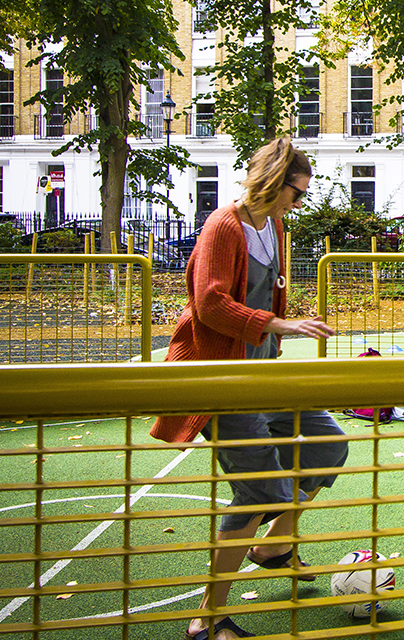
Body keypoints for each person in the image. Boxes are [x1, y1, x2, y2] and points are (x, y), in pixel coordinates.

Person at [149, 138, 348, 640]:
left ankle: (273, 545)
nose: (298, 203)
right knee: (259, 489)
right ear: (272, 183)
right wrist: (277, 325)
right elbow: (210, 304)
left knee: (327, 444)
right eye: (296, 193)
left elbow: (264, 291)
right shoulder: (223, 226)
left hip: (261, 373)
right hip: (219, 378)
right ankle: (206, 619)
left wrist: (279, 328)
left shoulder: (273, 224)